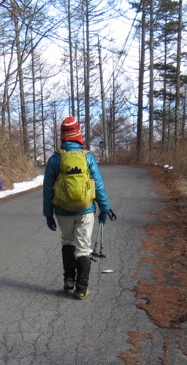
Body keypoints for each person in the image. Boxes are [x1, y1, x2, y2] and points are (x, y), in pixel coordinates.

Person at [43, 116, 111, 299]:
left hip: (62, 210)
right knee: (83, 247)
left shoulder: (55, 159)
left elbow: (48, 189)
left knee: (68, 242)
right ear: (78, 134)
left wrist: (48, 214)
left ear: (63, 136)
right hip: (85, 210)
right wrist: (104, 208)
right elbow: (98, 185)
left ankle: (69, 279)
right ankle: (81, 288)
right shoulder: (87, 157)